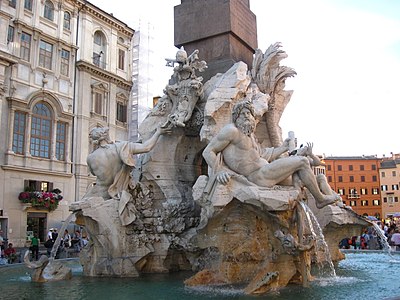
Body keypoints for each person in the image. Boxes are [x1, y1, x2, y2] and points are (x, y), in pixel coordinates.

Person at [202, 100, 340, 209]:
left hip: (267, 171)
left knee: (304, 179)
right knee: (303, 161)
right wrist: (219, 171)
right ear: (236, 117)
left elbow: (264, 155)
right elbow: (208, 151)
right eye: (242, 113)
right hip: (258, 176)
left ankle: (329, 200)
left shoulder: (250, 136)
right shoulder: (231, 131)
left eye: (248, 113)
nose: (245, 116)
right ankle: (320, 200)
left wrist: (283, 148)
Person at [85, 125, 170, 200]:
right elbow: (147, 147)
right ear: (107, 136)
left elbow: (94, 173)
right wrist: (158, 132)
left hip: (99, 195)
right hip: (118, 194)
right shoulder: (122, 147)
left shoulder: (90, 157)